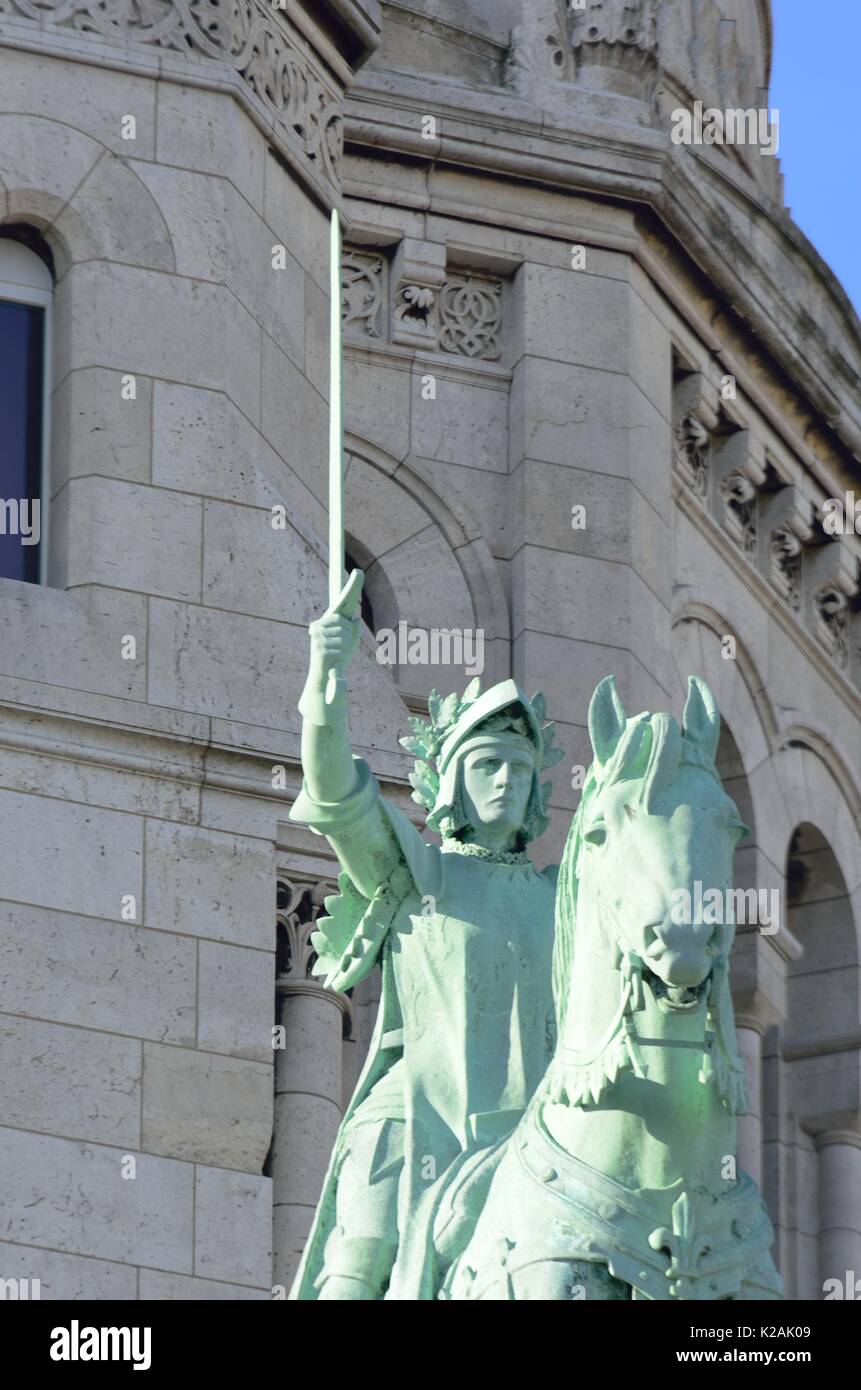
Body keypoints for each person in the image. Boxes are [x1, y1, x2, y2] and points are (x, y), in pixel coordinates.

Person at [288, 571, 562, 1300]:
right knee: (360, 1265)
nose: (505, 780)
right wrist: (326, 672)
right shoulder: (416, 872)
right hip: (414, 1123)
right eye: (486, 765)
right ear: (451, 783)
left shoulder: (558, 896)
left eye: (518, 768)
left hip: (533, 1136)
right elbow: (336, 790)